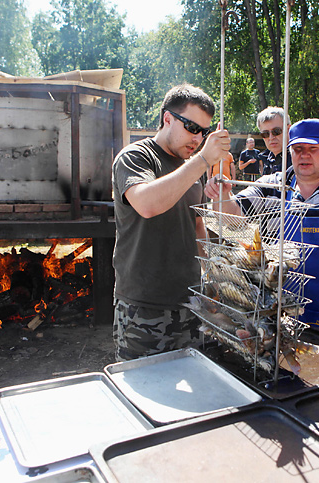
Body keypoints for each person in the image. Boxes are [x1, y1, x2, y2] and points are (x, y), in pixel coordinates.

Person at [205, 118, 319, 341]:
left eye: (313, 149)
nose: (304, 155)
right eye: (298, 149)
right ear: (290, 153)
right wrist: (221, 195)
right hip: (280, 315)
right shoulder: (273, 185)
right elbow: (233, 220)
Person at [112, 83, 231, 361]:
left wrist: (210, 276)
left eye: (203, 132)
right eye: (191, 127)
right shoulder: (136, 157)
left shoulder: (190, 166)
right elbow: (148, 204)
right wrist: (202, 160)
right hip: (144, 304)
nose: (198, 138)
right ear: (167, 118)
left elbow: (196, 225)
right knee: (142, 391)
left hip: (190, 300)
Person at [257, 106, 292, 175]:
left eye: (276, 131)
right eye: (265, 134)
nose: (271, 137)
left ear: (288, 129)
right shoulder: (266, 159)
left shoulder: (300, 159)